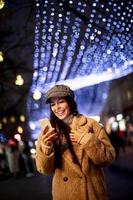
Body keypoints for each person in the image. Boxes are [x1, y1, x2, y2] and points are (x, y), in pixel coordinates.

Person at [35, 84, 116, 200]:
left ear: (70, 102)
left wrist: (87, 139)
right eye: (53, 104)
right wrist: (46, 146)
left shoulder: (90, 124)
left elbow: (108, 158)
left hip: (92, 192)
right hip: (65, 194)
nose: (57, 107)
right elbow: (44, 170)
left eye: (61, 102)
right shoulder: (48, 132)